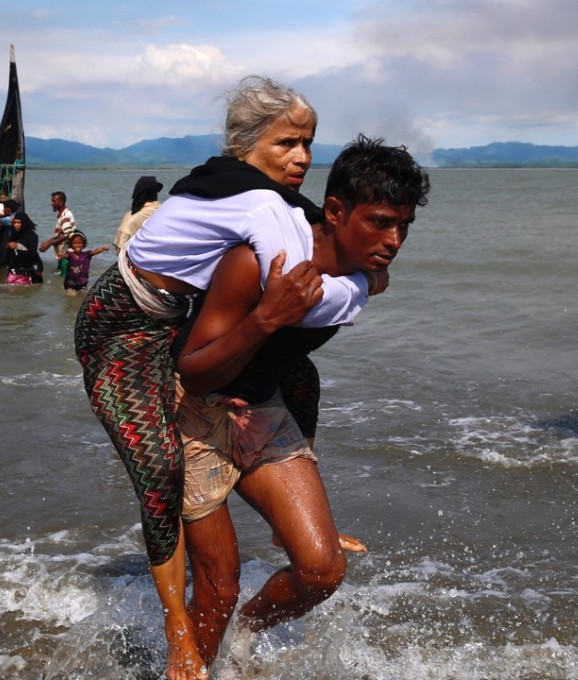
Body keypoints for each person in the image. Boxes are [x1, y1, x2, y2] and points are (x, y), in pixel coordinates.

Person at [74, 75, 384, 680]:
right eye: (287, 143)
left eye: (309, 143)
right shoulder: (261, 203)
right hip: (120, 330)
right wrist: (364, 285)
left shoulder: (248, 186)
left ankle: (293, 518)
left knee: (299, 377)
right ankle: (175, 627)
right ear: (247, 143)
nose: (302, 157)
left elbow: (323, 235)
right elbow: (294, 296)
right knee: (159, 469)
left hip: (167, 326)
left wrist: (365, 256)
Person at [175, 136, 430, 670]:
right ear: (334, 211)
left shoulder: (363, 274)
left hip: (261, 408)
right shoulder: (259, 262)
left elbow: (360, 291)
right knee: (219, 587)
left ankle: (245, 633)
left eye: (403, 225)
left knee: (321, 570)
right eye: (381, 221)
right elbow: (192, 370)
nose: (394, 239)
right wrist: (268, 316)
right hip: (189, 414)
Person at [113, 175, 163, 252]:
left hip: (138, 260)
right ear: (155, 193)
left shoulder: (130, 217)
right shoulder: (165, 210)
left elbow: (120, 249)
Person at [0, 213, 43, 285]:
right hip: (14, 270)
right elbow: (8, 254)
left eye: (18, 222)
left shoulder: (32, 236)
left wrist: (18, 246)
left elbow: (32, 253)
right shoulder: (13, 236)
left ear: (24, 223)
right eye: (14, 222)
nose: (15, 225)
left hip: (28, 270)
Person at [57, 231, 109, 296]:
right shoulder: (70, 255)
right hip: (70, 283)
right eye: (75, 243)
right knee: (71, 296)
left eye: (79, 243)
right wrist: (62, 256)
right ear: (71, 244)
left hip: (82, 283)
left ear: (83, 244)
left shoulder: (87, 255)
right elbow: (66, 255)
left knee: (83, 296)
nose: (77, 245)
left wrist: (103, 248)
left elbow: (95, 251)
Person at [49, 191, 76, 276]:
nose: (52, 204)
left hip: (67, 255)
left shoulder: (66, 216)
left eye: (54, 201)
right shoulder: (62, 215)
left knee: (64, 280)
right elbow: (61, 233)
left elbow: (67, 234)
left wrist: (50, 243)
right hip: (62, 255)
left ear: (61, 202)